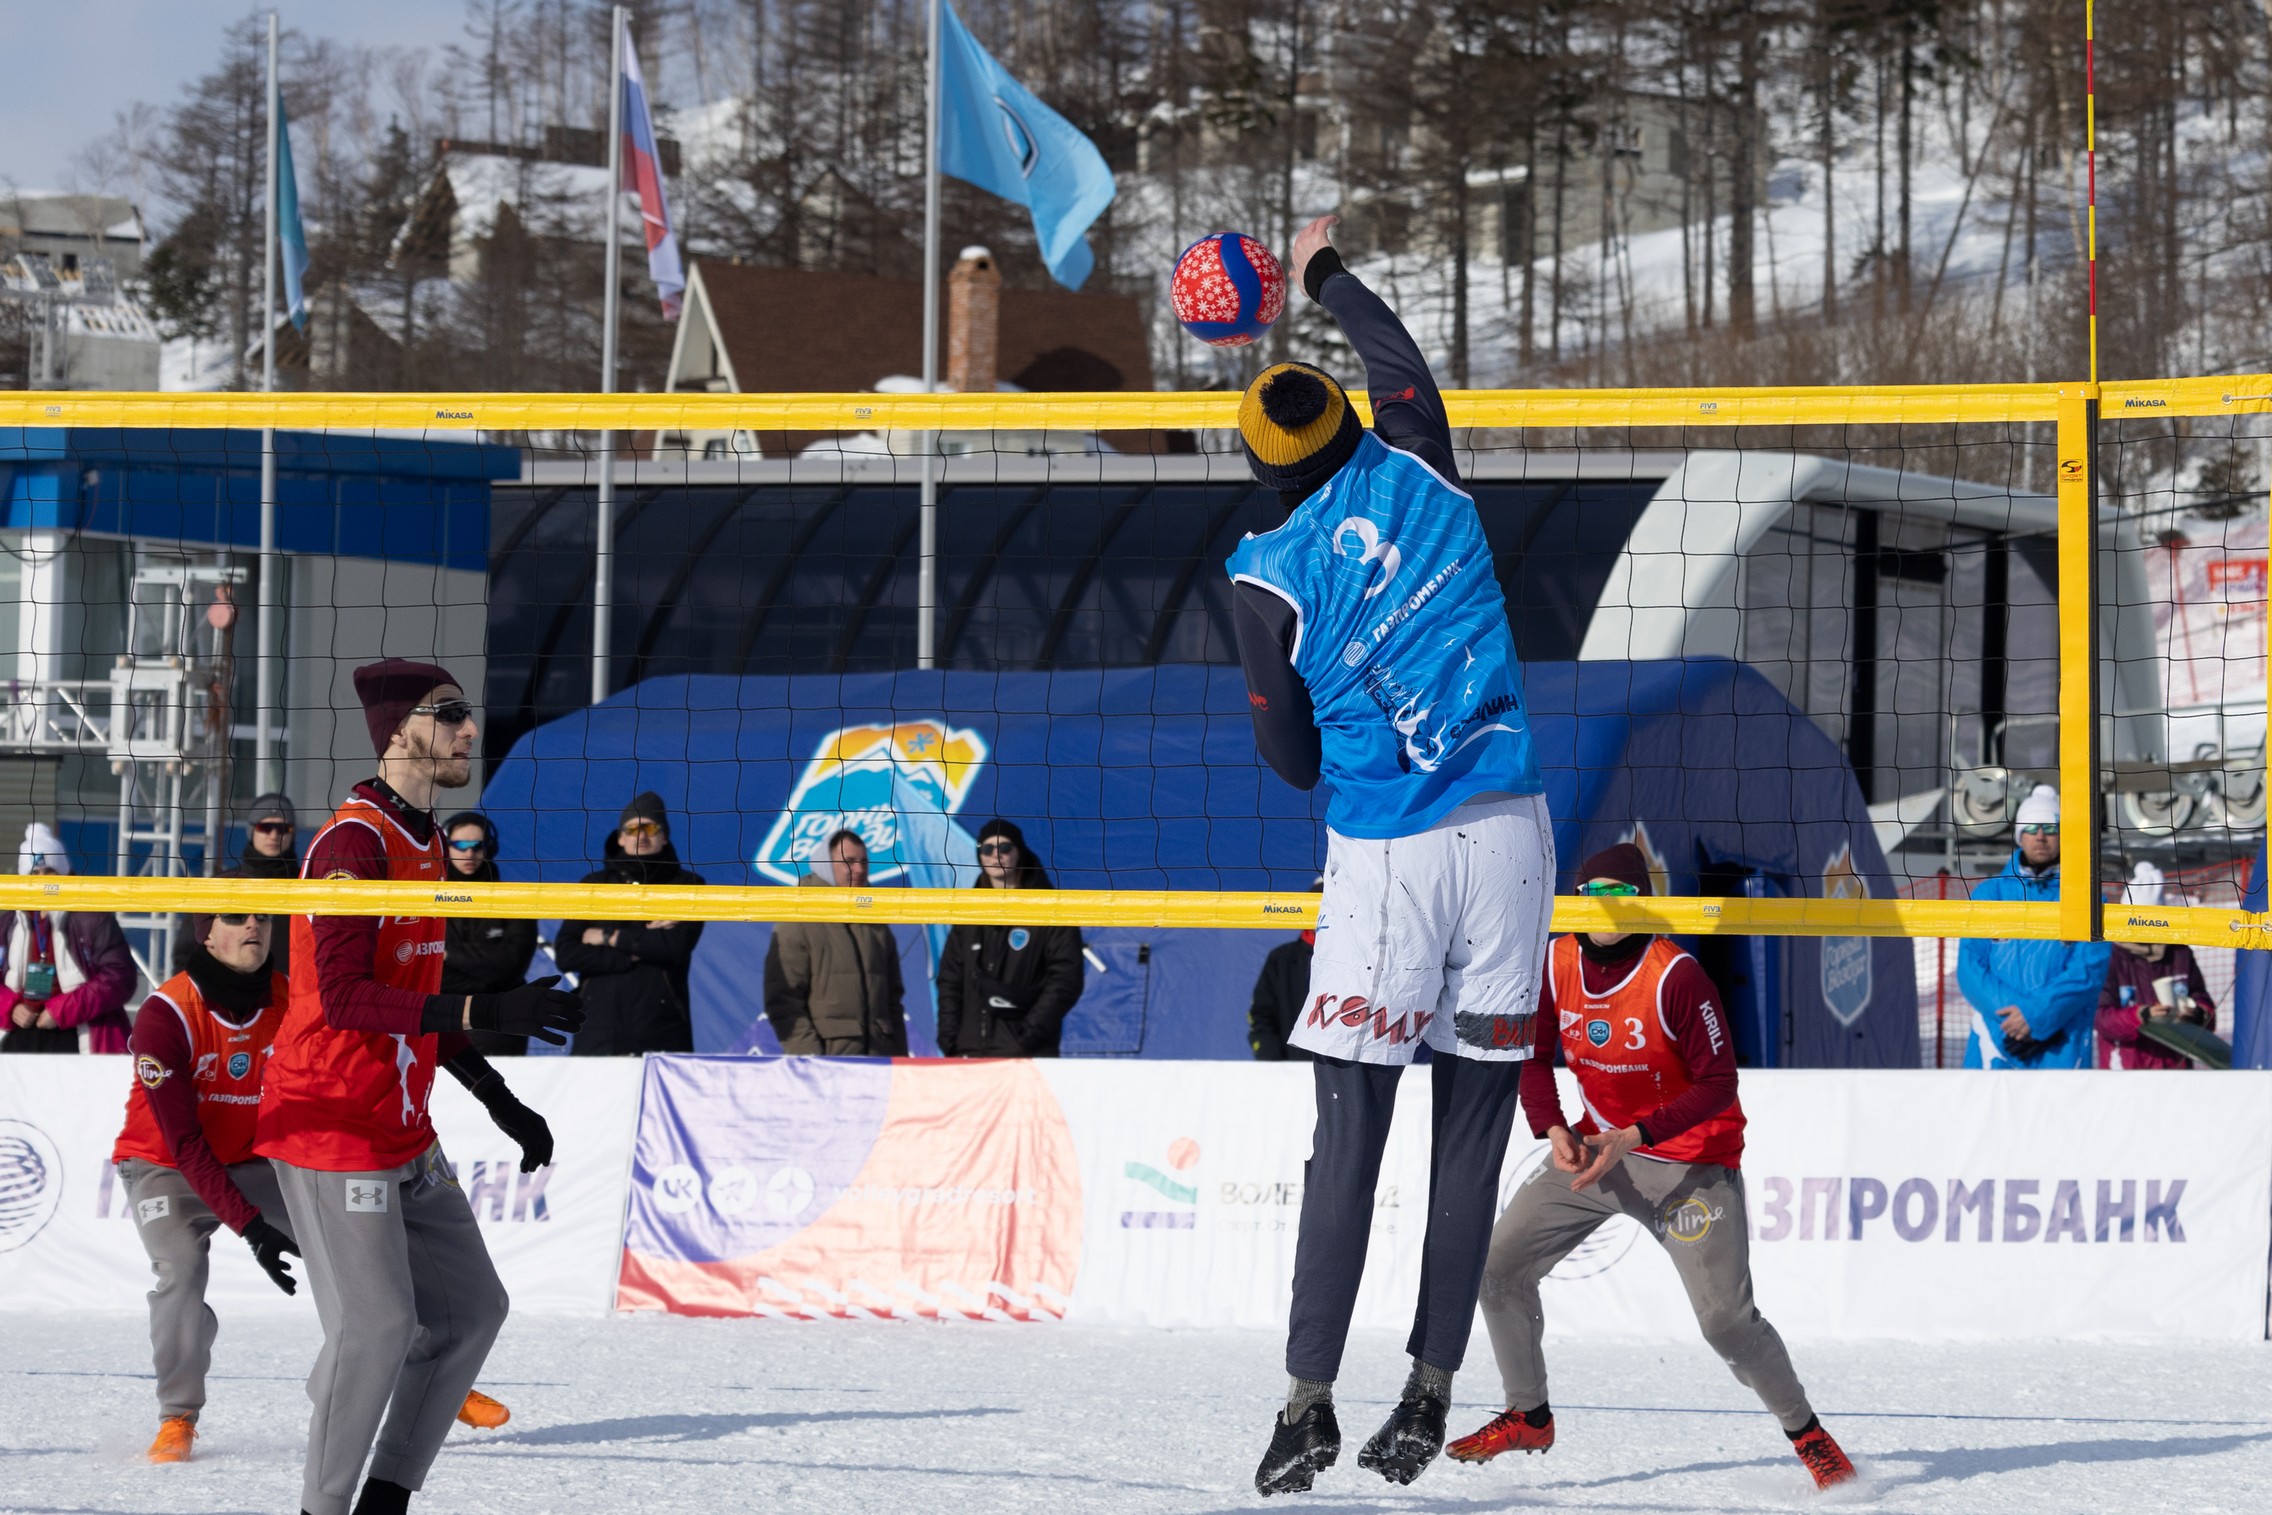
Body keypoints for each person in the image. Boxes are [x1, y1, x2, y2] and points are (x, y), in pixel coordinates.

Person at [1229, 216, 1555, 1496]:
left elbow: (1291, 764)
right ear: (1354, 426)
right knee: (1468, 1133)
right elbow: (1399, 358)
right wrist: (1321, 271)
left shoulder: (1263, 577)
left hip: (1387, 857)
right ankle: (1429, 1390)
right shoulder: (1423, 462)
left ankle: (1307, 1401)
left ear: (1261, 467)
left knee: (1348, 1133)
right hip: (1510, 834)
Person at [254, 659, 582, 1515]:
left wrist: (497, 1094)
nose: (470, 730)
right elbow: (351, 996)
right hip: (328, 1119)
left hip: (399, 1120)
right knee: (377, 1328)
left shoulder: (429, 840)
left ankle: (386, 1496)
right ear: (399, 729)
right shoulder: (350, 843)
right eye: (451, 715)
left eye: (469, 715)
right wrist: (485, 1001)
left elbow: (416, 998)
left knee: (474, 1310)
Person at [1444, 845, 1855, 1490]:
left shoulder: (1676, 975)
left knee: (1726, 1323)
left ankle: (1807, 1433)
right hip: (1597, 1155)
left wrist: (1635, 1133)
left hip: (1689, 1163)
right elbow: (1531, 1050)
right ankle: (1529, 1413)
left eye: (1618, 893)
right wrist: (1551, 1125)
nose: (1604, 907)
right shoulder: (1556, 958)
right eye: (1593, 892)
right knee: (1498, 1269)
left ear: (1639, 903)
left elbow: (1720, 1085)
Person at [112, 899, 519, 1463]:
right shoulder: (168, 1013)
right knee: (179, 1273)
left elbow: (411, 1020)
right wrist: (251, 1227)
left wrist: (495, 1093)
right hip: (165, 1167)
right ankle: (177, 1416)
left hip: (258, 1160)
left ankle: (429, 1376)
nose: (254, 924)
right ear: (206, 935)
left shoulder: (293, 994)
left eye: (262, 915)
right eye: (235, 917)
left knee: (367, 1251)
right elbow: (185, 1143)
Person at [1959, 784, 2110, 1069]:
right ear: (2019, 835)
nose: (2041, 836)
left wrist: (2037, 1016)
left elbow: (2089, 972)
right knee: (1987, 1113)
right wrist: (2016, 1019)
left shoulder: (2086, 896)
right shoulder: (1990, 894)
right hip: (1997, 1035)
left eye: (2051, 828)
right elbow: (1970, 969)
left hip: (2061, 1039)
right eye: (2032, 827)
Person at [555, 793, 706, 1055]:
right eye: (632, 829)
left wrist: (608, 937)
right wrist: (636, 949)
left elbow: (675, 947)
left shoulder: (687, 885)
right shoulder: (593, 885)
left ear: (665, 836)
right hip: (598, 1027)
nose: (641, 836)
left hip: (661, 1028)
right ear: (621, 837)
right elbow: (567, 954)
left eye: (650, 828)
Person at [934, 819, 1084, 1058]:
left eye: (1004, 848)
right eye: (987, 849)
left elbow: (1066, 979)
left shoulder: (1050, 907)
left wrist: (1027, 1036)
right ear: (980, 856)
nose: (996, 855)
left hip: (1026, 1052)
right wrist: (950, 1039)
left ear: (1019, 852)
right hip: (970, 1052)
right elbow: (950, 980)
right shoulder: (968, 913)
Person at [763, 828, 908, 1055]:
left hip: (878, 1062)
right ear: (826, 865)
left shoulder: (876, 923)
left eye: (864, 861)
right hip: (828, 1063)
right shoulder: (799, 919)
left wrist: (899, 1060)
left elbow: (893, 1003)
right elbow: (783, 1001)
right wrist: (811, 1060)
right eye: (849, 861)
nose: (859, 869)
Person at [1, 823, 136, 1054]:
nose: (43, 880)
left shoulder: (92, 918)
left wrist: (62, 1010)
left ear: (64, 874)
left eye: (50, 872)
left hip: (78, 1033)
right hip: (18, 1030)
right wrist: (9, 1007)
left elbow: (120, 977)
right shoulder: (8, 922)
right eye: (34, 874)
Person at [438, 812, 540, 1056]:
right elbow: (432, 973)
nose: (469, 853)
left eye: (477, 846)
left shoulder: (514, 900)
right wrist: (486, 980)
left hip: (499, 1024)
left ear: (489, 848)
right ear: (447, 847)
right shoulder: (429, 898)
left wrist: (449, 955)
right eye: (460, 845)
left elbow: (511, 967)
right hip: (443, 1018)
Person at [2099, 861, 2217, 1069]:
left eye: (2151, 918)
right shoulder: (2112, 956)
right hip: (2126, 1071)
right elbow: (2102, 1019)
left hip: (2174, 1068)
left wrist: (2197, 1013)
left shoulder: (2179, 953)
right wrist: (2140, 1015)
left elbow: (2203, 1003)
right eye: (2138, 918)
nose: (2144, 925)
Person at [1248, 877, 1323, 1062]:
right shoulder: (1281, 959)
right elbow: (1261, 1017)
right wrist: (1273, 1064)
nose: (1322, 913)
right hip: (1289, 1072)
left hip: (1341, 1075)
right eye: (1317, 905)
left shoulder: (1360, 961)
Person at [238, 793, 301, 979]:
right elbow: (187, 951)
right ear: (251, 830)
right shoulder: (226, 884)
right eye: (265, 827)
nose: (274, 835)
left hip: (295, 997)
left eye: (283, 828)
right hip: (240, 999)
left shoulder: (309, 886)